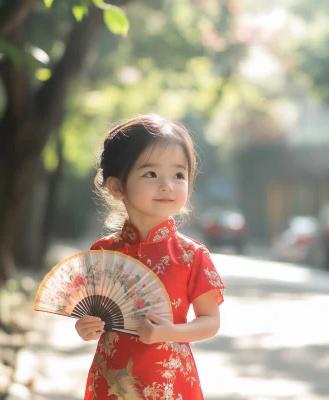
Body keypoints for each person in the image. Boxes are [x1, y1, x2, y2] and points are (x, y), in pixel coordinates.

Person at [75, 114, 225, 400]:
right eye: (151, 174)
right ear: (117, 187)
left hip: (170, 381)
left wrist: (170, 332)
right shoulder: (103, 252)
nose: (168, 185)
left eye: (179, 175)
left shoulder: (191, 255)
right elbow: (92, 315)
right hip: (112, 380)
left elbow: (210, 321)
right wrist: (86, 327)